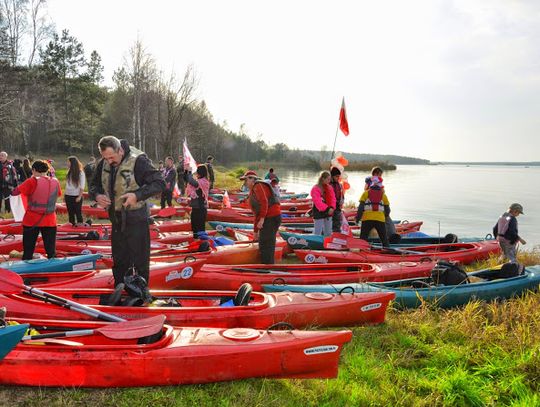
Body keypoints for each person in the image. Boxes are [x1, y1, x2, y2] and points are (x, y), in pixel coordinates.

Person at [89, 136, 165, 287]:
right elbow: (93, 185)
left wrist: (137, 195)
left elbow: (159, 183)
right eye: (106, 158)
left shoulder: (138, 161)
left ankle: (141, 292)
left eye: (112, 157)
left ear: (121, 150)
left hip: (136, 219)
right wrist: (97, 196)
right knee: (119, 261)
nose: (109, 161)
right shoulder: (104, 162)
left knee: (140, 261)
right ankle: (121, 288)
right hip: (116, 220)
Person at [10, 160, 62, 260]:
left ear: (33, 170)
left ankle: (26, 269)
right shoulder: (55, 181)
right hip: (50, 220)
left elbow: (15, 192)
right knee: (51, 250)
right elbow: (58, 194)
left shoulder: (31, 181)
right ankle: (53, 266)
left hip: (32, 220)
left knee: (28, 250)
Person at [240, 170, 281, 264]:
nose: (244, 183)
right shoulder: (252, 192)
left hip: (272, 217)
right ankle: (266, 265)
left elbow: (264, 202)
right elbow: (256, 214)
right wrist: (255, 232)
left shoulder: (258, 186)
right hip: (268, 218)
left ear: (251, 179)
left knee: (267, 244)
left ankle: (268, 268)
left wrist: (262, 219)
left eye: (245, 180)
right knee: (264, 243)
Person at [355, 175, 391, 247]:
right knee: (384, 240)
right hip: (380, 220)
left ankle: (362, 252)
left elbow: (360, 208)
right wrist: (385, 216)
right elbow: (388, 210)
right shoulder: (383, 195)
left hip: (367, 219)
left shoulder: (365, 193)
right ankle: (388, 252)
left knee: (363, 239)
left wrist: (357, 219)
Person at [185, 164, 210, 235]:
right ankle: (196, 240)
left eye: (197, 172)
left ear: (201, 172)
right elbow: (188, 179)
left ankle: (202, 241)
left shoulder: (204, 182)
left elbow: (191, 181)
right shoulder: (199, 181)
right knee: (194, 226)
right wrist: (187, 170)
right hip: (196, 207)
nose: (196, 174)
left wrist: (189, 172)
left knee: (200, 227)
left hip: (201, 207)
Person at [310, 171, 336, 237]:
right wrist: (327, 209)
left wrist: (332, 208)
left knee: (328, 232)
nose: (329, 181)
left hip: (328, 211)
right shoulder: (315, 188)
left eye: (330, 179)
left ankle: (327, 243)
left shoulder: (329, 188)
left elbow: (333, 198)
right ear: (323, 179)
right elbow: (317, 201)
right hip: (319, 211)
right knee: (317, 231)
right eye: (328, 179)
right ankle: (315, 243)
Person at [64, 156, 86, 225]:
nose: (67, 163)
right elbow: (67, 185)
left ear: (72, 163)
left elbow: (82, 186)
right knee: (70, 213)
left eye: (68, 162)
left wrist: (79, 196)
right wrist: (65, 195)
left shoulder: (80, 173)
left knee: (78, 213)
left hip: (76, 196)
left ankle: (80, 228)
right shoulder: (69, 172)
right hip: (68, 195)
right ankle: (71, 227)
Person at [329, 167, 344, 232]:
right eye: (336, 176)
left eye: (339, 176)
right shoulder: (328, 185)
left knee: (337, 225)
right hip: (330, 208)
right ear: (332, 176)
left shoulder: (339, 185)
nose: (338, 178)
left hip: (337, 207)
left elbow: (342, 196)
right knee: (329, 224)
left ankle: (337, 235)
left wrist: (342, 202)